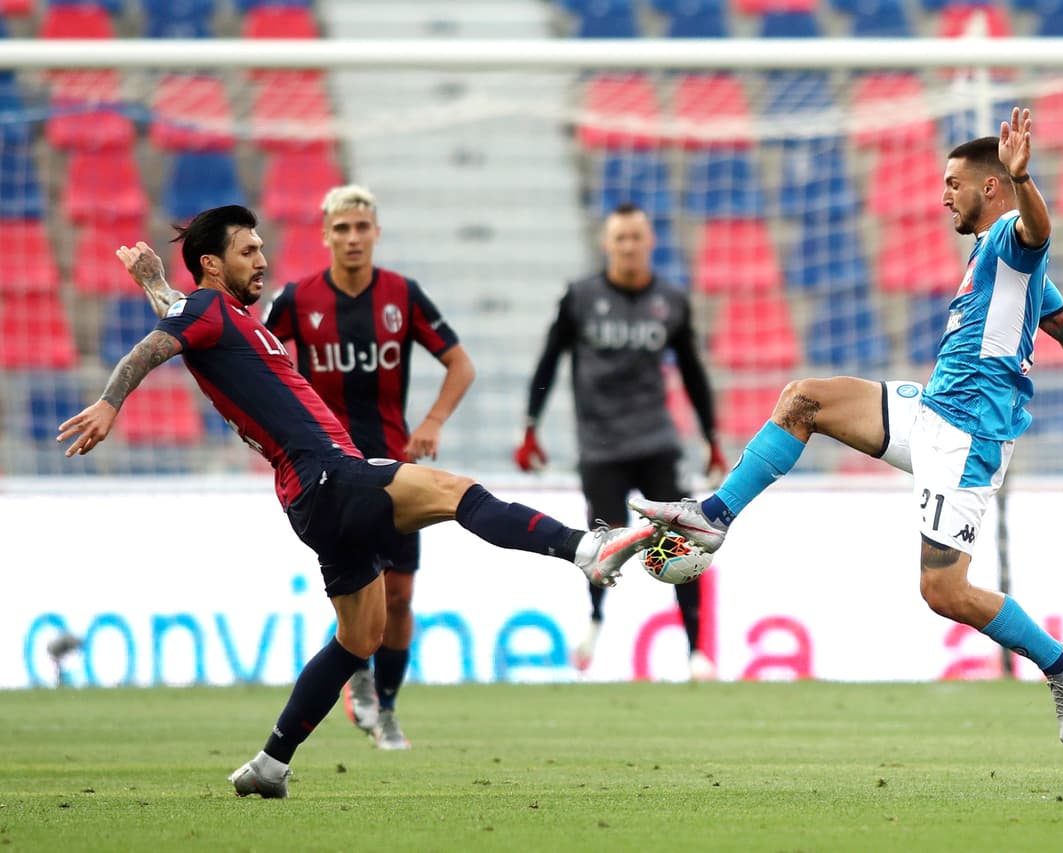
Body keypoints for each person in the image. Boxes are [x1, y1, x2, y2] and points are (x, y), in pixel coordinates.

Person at [58, 205, 660, 798]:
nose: (262, 259)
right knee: (455, 492)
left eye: (262, 247)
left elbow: (180, 318)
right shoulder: (210, 308)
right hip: (327, 475)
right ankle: (585, 549)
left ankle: (271, 762)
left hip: (309, 496)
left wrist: (154, 282)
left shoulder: (220, 315)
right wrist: (111, 402)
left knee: (361, 636)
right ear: (212, 265)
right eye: (249, 251)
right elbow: (157, 344)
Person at [629, 109, 1063, 744]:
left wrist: (1026, 183)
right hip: (933, 411)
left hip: (969, 439)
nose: (943, 196)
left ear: (990, 187)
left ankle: (1061, 662)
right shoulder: (995, 264)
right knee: (803, 400)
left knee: (943, 592)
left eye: (953, 184)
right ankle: (713, 517)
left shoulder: (1011, 242)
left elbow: (1037, 229)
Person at [255, 185, 473, 750]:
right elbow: (253, 364)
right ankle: (358, 678)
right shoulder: (296, 301)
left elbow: (460, 364)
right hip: (332, 474)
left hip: (396, 467)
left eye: (361, 227)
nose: (352, 238)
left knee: (400, 598)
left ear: (376, 232)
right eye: (341, 228)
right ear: (326, 235)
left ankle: (389, 706)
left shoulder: (403, 295)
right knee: (362, 598)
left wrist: (433, 422)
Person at [515, 202, 727, 680]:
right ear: (607, 244)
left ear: (650, 243)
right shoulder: (580, 298)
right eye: (620, 238)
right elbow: (549, 361)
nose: (629, 246)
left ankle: (696, 652)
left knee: (682, 539)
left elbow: (692, 372)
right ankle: (593, 622)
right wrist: (531, 425)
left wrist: (712, 437)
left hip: (656, 440)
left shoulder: (671, 300)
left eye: (637, 237)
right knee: (602, 540)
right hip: (601, 446)